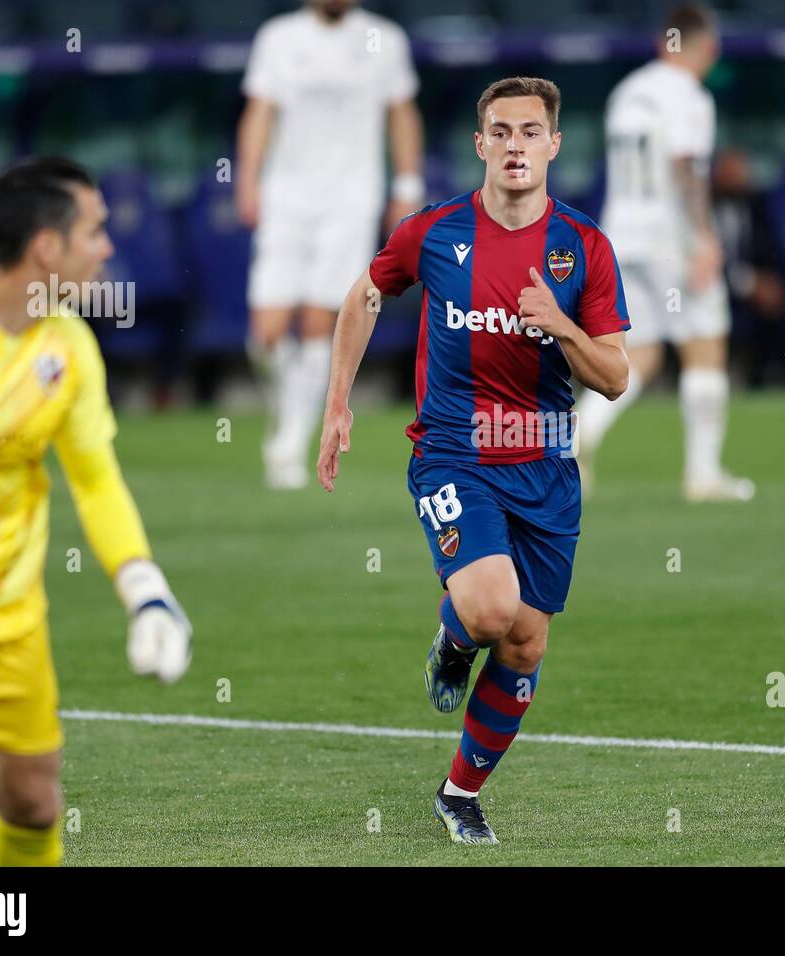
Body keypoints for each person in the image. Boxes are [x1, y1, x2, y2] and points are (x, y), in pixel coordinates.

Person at [316, 77, 629, 845]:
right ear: (480, 144)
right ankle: (457, 637)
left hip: (549, 466)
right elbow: (364, 295)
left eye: (530, 132)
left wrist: (558, 323)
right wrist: (337, 403)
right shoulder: (434, 231)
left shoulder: (584, 247)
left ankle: (459, 794)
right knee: (491, 609)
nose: (515, 145)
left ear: (554, 145)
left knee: (524, 639)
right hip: (455, 454)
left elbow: (615, 377)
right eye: (501, 131)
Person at [0, 157, 191, 867]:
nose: (108, 247)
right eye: (96, 231)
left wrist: (149, 596)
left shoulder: (70, 349)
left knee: (32, 806)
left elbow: (95, 481)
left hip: (10, 620)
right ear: (48, 247)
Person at [237, 0, 424, 488]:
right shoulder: (278, 37)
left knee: (323, 320)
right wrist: (248, 181)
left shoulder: (385, 38)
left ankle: (290, 442)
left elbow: (401, 113)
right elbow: (259, 112)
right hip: (287, 195)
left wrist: (406, 185)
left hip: (351, 196)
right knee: (267, 331)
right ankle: (289, 407)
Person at [575, 3, 754, 502]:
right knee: (705, 344)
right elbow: (685, 167)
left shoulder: (628, 91)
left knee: (641, 354)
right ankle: (703, 474)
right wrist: (703, 237)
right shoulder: (690, 97)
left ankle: (575, 437)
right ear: (708, 49)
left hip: (622, 234)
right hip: (669, 237)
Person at [712, 147, 785, 387]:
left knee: (777, 294)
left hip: (747, 285)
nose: (737, 179)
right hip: (707, 284)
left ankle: (771, 377)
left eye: (741, 173)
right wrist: (747, 283)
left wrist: (765, 281)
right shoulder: (700, 206)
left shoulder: (758, 206)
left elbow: (770, 250)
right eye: (730, 173)